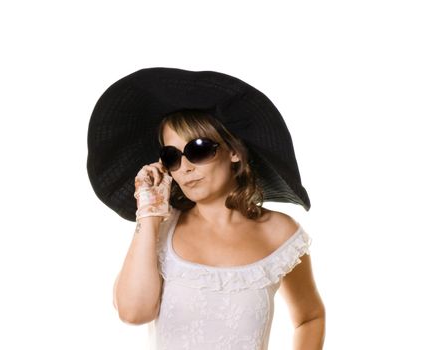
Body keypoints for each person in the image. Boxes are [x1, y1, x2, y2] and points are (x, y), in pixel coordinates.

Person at [87, 67, 325, 349]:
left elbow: (310, 317)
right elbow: (133, 313)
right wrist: (149, 212)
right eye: (171, 156)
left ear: (234, 152)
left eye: (198, 149)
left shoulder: (280, 232)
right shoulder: (161, 228)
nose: (185, 167)